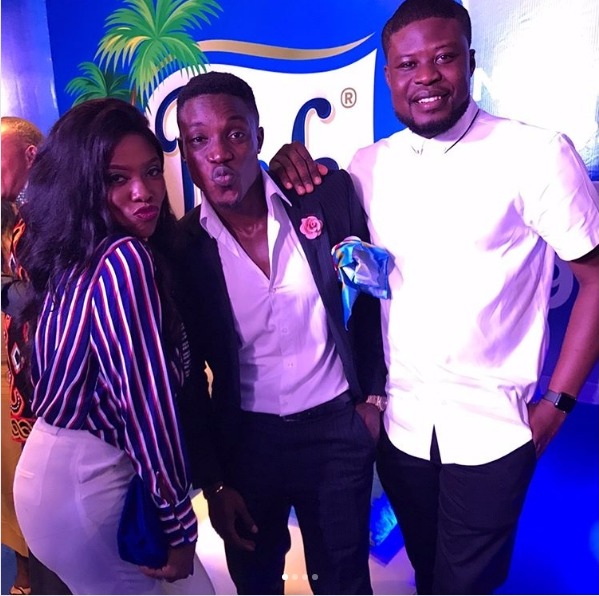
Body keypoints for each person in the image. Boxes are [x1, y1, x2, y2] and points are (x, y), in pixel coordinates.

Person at [269, 0, 599, 594]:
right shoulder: (368, 167)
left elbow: (596, 280)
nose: (426, 76)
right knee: (428, 575)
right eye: (407, 64)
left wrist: (556, 405)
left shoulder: (536, 154)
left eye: (443, 57)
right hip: (403, 431)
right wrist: (286, 164)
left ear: (470, 60)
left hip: (494, 433)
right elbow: (331, 261)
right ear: (388, 75)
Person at [173, 71, 387, 595]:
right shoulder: (182, 248)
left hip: (336, 431)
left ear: (259, 138)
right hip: (247, 443)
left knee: (344, 583)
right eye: (199, 140)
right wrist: (214, 482)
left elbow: (371, 303)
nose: (219, 153)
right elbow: (189, 379)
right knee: (256, 581)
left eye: (234, 133)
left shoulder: (323, 197)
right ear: (185, 153)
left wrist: (373, 401)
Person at [11, 98, 213, 595]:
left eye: (151, 171)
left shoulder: (76, 252)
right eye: (116, 179)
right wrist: (179, 524)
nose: (144, 192)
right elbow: (148, 408)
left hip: (53, 474)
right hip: (89, 480)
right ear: (82, 184)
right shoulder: (124, 259)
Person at [1, 116, 73, 596]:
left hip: (58, 401)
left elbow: (47, 299)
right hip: (22, 395)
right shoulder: (12, 218)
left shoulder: (58, 215)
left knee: (59, 521)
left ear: (30, 155)